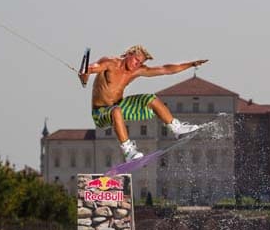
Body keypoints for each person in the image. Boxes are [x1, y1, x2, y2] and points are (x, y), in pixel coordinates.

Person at [78, 45, 208, 161]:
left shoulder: (137, 70)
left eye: (140, 63)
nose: (137, 64)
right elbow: (93, 68)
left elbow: (166, 69)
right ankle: (128, 151)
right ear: (129, 54)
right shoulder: (110, 63)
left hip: (118, 105)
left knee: (150, 98)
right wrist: (85, 73)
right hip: (100, 112)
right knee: (116, 110)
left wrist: (191, 64)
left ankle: (177, 129)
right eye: (136, 60)